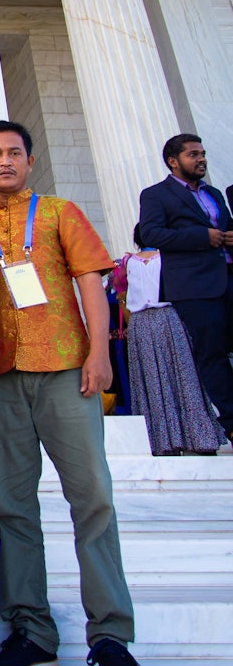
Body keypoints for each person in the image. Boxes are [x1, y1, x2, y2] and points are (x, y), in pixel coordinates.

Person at [0, 120, 144, 666]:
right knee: (10, 506)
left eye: (14, 152)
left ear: (31, 160)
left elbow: (91, 280)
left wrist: (100, 352)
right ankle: (32, 631)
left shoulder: (62, 213)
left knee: (91, 496)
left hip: (68, 369)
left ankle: (111, 636)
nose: (5, 161)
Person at [139, 135, 233, 448]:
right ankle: (231, 422)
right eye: (193, 154)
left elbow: (224, 226)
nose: (201, 159)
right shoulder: (156, 195)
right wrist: (200, 236)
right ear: (173, 161)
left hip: (227, 276)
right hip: (194, 286)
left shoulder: (214, 193)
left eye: (203, 153)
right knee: (213, 353)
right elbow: (151, 233)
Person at [120, 226, 224, 456]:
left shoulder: (127, 263)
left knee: (154, 382)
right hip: (169, 317)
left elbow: (121, 297)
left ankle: (164, 441)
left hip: (142, 323)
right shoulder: (165, 258)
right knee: (184, 377)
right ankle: (200, 438)